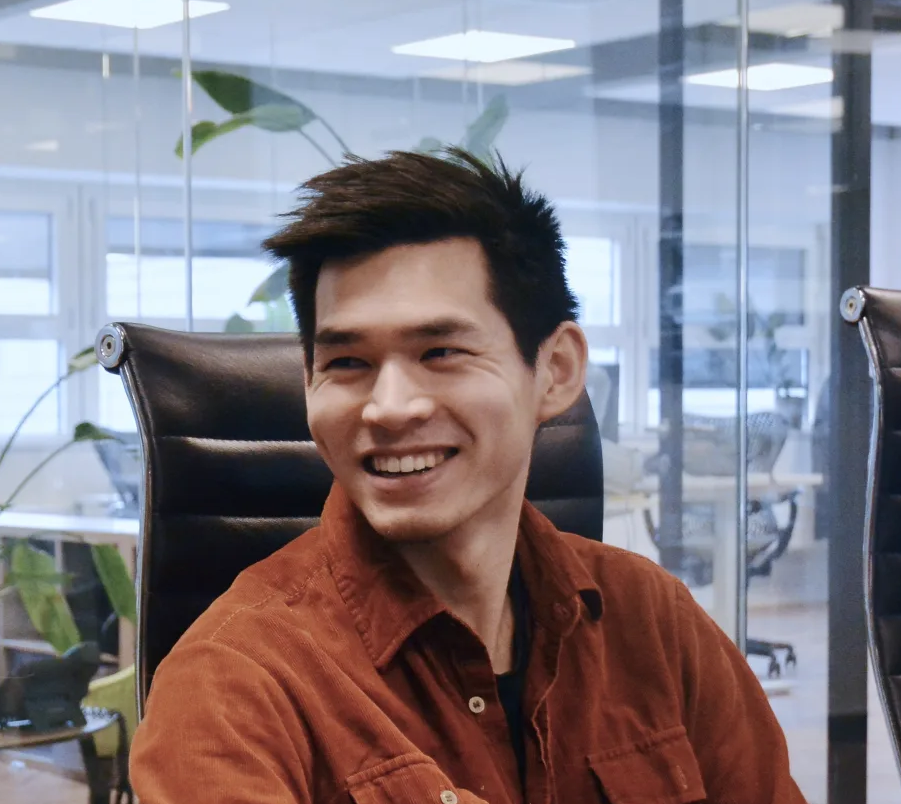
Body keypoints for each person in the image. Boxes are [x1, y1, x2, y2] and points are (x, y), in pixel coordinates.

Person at [129, 148, 807, 804]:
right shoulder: (233, 686)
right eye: (346, 363)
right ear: (307, 382)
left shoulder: (653, 625)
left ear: (555, 371)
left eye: (441, 351)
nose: (390, 407)